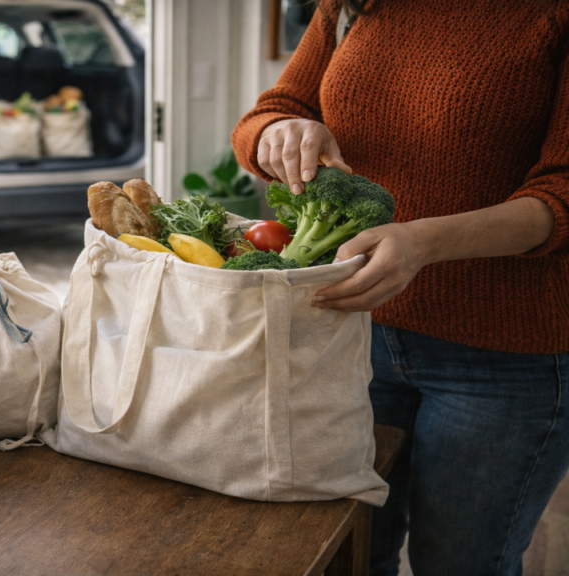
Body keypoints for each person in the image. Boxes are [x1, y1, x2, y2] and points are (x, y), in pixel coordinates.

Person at [231, 1, 569, 575]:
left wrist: (424, 242)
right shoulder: (351, 2)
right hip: (351, 335)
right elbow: (269, 112)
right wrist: (278, 131)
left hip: (505, 360)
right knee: (347, 554)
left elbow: (563, 189)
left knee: (460, 565)